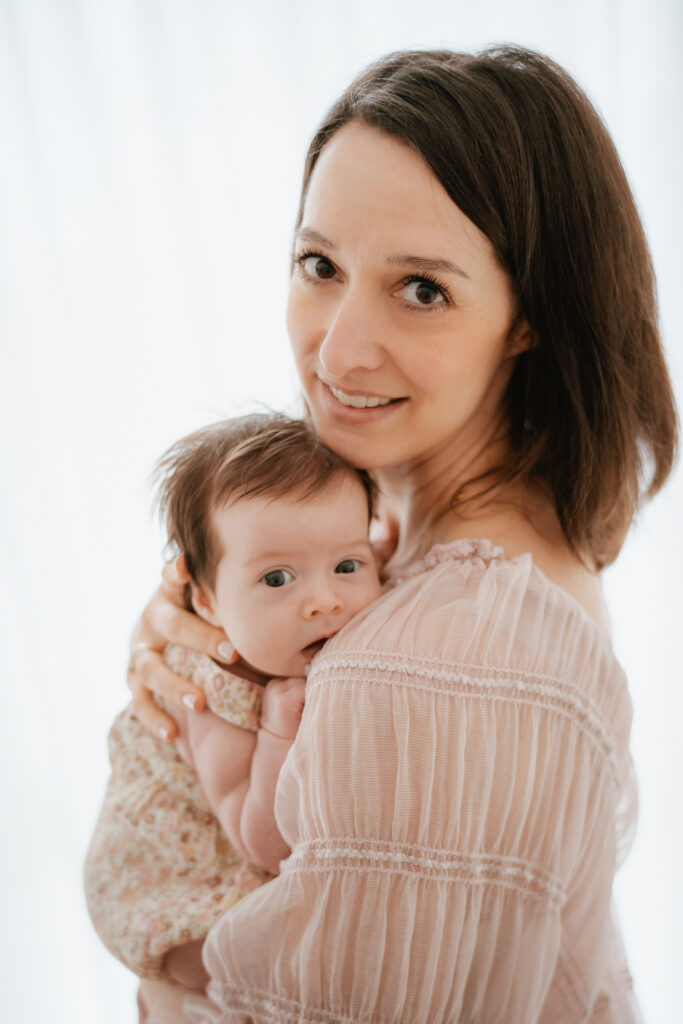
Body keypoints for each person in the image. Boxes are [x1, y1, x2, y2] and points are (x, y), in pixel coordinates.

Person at [121, 46, 678, 1023]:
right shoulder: (416, 556)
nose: (334, 350)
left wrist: (156, 969)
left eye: (419, 288)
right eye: (318, 264)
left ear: (527, 318)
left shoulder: (443, 652)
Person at [83, 413, 381, 1021]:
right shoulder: (212, 688)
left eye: (348, 566)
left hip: (235, 870)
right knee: (244, 963)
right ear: (209, 601)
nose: (324, 598)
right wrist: (278, 728)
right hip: (173, 884)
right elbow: (262, 841)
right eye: (277, 578)